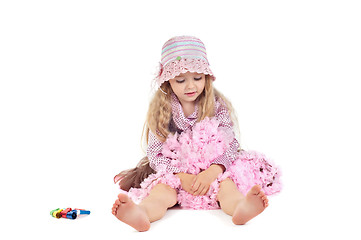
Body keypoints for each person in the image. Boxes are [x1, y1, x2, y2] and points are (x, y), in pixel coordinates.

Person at [112, 36, 281, 232]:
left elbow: (231, 143)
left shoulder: (216, 104)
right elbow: (155, 154)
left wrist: (214, 171)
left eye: (198, 78)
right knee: (162, 192)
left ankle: (239, 207)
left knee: (227, 187)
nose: (190, 86)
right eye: (181, 80)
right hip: (177, 173)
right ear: (168, 81)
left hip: (213, 170)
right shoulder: (162, 110)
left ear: (207, 77)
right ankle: (142, 213)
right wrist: (181, 176)